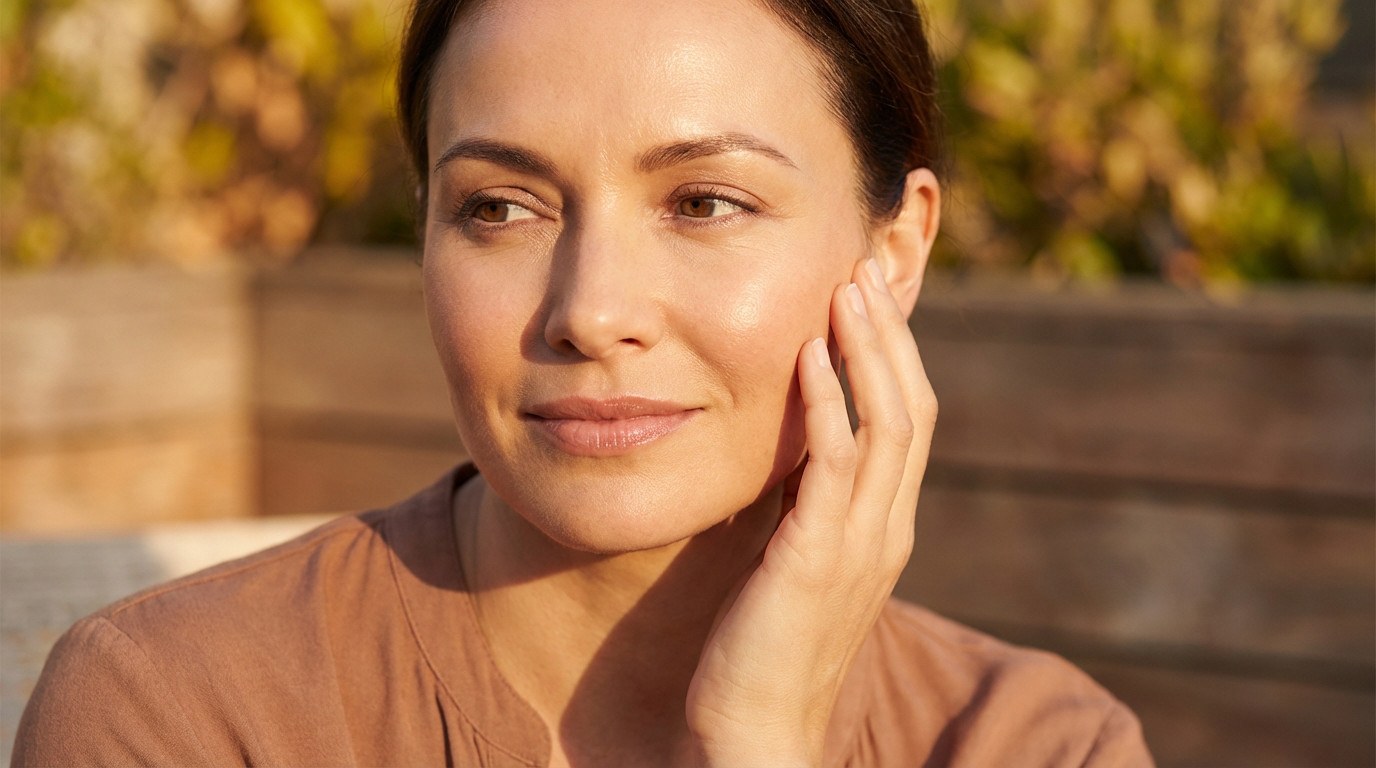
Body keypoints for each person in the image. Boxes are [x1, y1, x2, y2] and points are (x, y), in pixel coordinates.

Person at [13, 0, 1155, 765]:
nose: (589, 311)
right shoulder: (188, 713)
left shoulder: (1030, 745)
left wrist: (760, 738)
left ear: (893, 251)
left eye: (705, 202)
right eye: (498, 208)